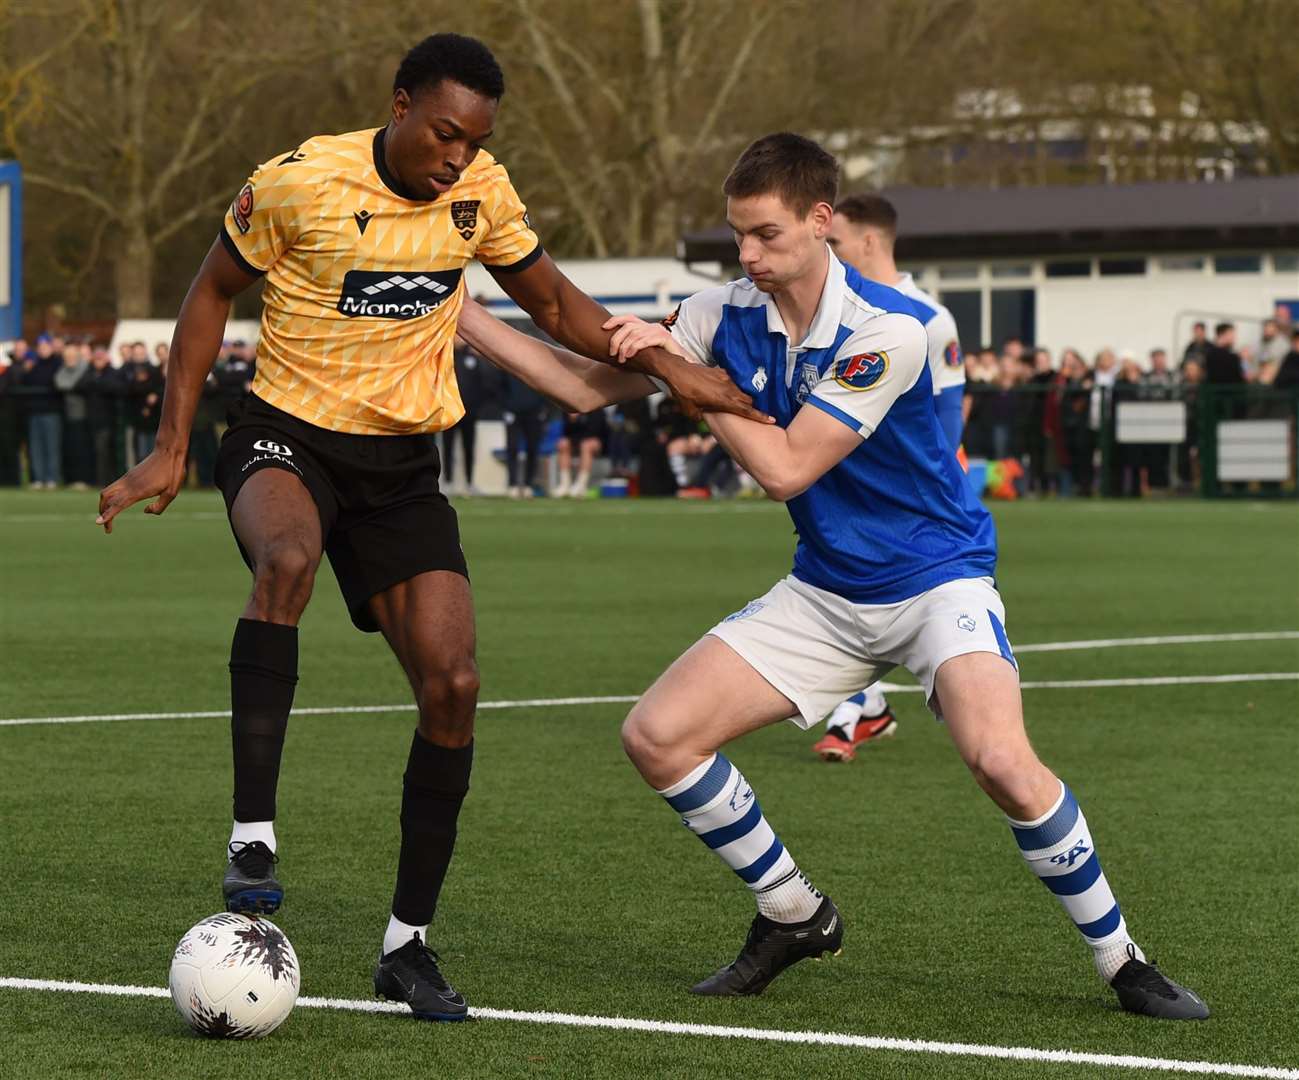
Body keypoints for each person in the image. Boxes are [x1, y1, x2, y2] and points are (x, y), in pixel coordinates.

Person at [455, 131, 1207, 1020]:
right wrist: (456, 305)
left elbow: (783, 469)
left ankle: (1122, 960)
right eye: (737, 235)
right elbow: (579, 389)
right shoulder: (719, 314)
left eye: (766, 235)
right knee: (657, 736)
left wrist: (687, 379)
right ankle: (792, 913)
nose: (746, 255)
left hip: (938, 581)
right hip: (826, 590)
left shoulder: (891, 327)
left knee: (1001, 761)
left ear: (821, 222)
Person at [94, 32, 761, 1023]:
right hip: (287, 436)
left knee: (455, 683)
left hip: (401, 470)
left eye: (474, 139)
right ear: (401, 104)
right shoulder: (298, 182)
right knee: (287, 556)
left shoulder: (480, 193)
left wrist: (667, 365)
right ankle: (251, 835)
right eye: (445, 132)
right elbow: (207, 296)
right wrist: (171, 444)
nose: (457, 154)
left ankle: (406, 946)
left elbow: (558, 306)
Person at [815, 192, 968, 761]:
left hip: (909, 503)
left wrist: (923, 489)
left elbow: (950, 410)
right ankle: (866, 710)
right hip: (842, 491)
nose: (824, 251)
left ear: (869, 242)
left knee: (885, 601)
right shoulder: (833, 309)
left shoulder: (928, 317)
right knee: (844, 595)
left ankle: (856, 712)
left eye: (834, 241)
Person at [555, 407, 608, 497]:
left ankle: (581, 484)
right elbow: (567, 432)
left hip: (597, 442)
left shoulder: (596, 409)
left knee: (586, 445)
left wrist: (579, 420)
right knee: (563, 443)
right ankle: (565, 484)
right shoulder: (569, 408)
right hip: (577, 441)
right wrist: (572, 421)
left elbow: (594, 432)